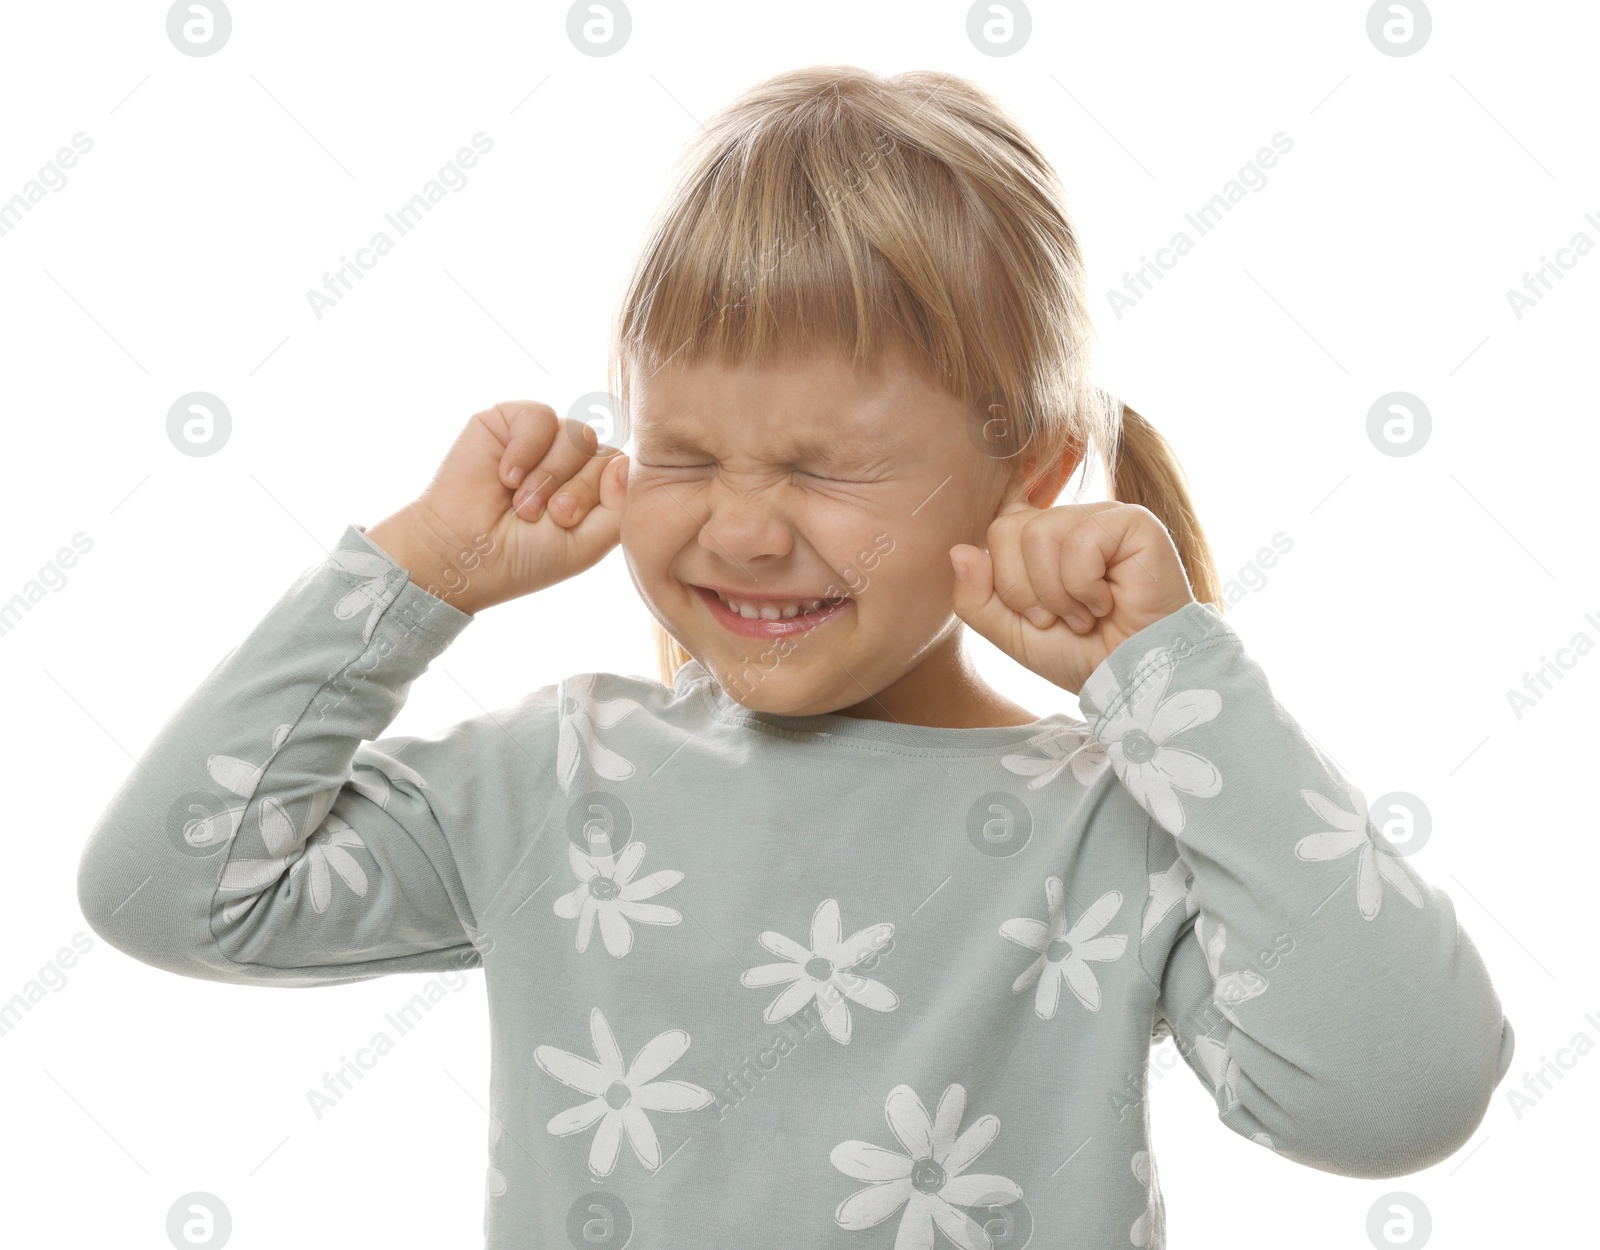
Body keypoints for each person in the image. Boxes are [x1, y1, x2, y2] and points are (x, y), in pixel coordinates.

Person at [77, 65, 1513, 1249]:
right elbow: (170, 889)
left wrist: (1180, 688)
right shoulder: (555, 780)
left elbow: (1404, 1094)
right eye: (685, 451)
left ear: (1029, 476)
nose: (744, 526)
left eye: (830, 470)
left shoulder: (1115, 823)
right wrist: (412, 580)